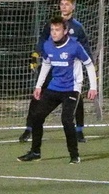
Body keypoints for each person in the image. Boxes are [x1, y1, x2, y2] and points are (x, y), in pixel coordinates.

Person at [17, 16, 99, 164]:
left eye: (57, 30)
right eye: (52, 30)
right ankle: (35, 152)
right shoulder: (48, 45)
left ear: (65, 31)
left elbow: (88, 64)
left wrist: (93, 87)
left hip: (71, 89)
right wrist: (38, 86)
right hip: (54, 87)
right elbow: (46, 64)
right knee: (37, 116)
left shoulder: (75, 46)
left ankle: (74, 155)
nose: (54, 33)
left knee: (66, 120)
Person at [19, 0, 91, 143]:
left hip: (69, 69)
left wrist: (90, 67)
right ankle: (29, 128)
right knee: (38, 95)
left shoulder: (78, 28)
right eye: (62, 4)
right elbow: (42, 40)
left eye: (67, 4)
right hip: (52, 66)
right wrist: (36, 54)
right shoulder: (51, 25)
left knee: (76, 98)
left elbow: (85, 48)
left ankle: (79, 131)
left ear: (73, 7)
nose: (64, 7)